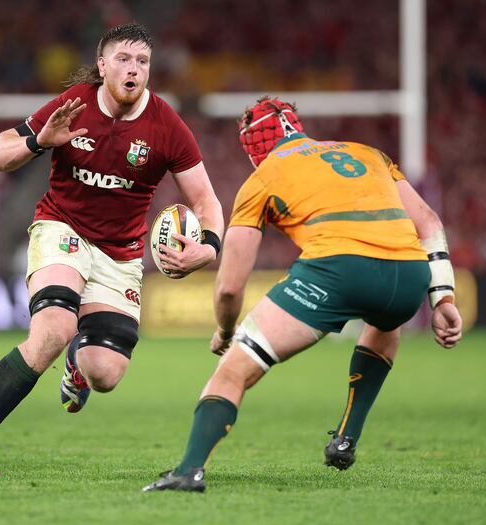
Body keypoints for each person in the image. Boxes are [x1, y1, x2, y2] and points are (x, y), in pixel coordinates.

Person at [0, 22, 224, 477]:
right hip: (61, 228)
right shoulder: (73, 107)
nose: (133, 70)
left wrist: (207, 249)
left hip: (120, 253)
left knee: (105, 375)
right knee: (53, 330)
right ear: (102, 65)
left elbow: (206, 200)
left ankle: (79, 362)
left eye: (142, 62)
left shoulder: (167, 125)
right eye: (123, 59)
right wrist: (39, 142)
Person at [143, 97, 463, 492]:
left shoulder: (263, 178)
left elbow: (228, 287)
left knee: (233, 372)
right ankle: (346, 438)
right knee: (385, 322)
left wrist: (227, 334)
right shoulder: (368, 153)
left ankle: (188, 471)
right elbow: (429, 221)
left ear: (253, 146)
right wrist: (443, 298)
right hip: (410, 275)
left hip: (339, 270)